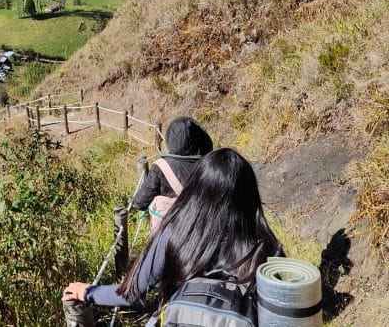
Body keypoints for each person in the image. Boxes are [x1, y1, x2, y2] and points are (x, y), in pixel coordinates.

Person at [63, 148, 283, 308]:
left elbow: (130, 294)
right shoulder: (268, 249)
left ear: (195, 188)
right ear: (250, 196)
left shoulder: (176, 232)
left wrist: (89, 292)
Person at [132, 116, 213, 228]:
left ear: (171, 140)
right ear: (199, 140)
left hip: (168, 228)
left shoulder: (161, 166)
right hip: (200, 228)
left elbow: (140, 203)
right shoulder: (208, 165)